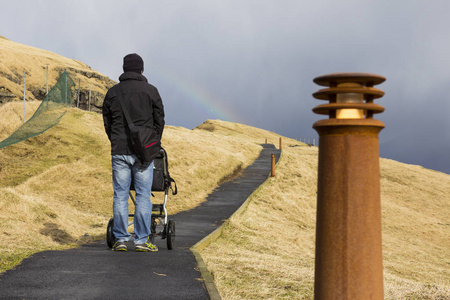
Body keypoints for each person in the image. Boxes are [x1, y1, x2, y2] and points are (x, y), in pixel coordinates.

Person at [102, 53, 165, 252]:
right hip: (144, 153)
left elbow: (107, 122)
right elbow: (159, 120)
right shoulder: (151, 91)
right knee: (143, 196)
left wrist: (115, 140)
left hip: (119, 150)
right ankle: (141, 241)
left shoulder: (112, 92)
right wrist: (152, 144)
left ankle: (120, 239)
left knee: (120, 195)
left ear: (124, 68)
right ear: (141, 69)